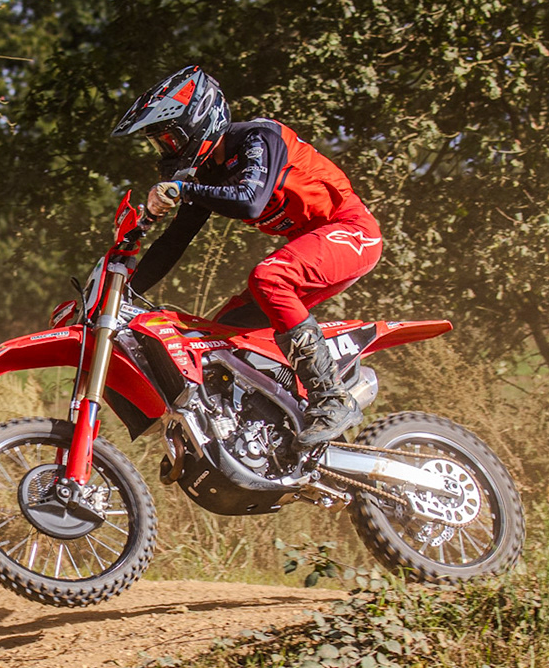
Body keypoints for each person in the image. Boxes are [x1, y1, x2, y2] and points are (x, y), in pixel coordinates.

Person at [111, 65, 383, 446]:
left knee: (268, 277)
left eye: (170, 139)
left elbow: (250, 201)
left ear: (198, 122)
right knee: (220, 338)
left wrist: (182, 190)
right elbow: (175, 240)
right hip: (314, 244)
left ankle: (331, 397)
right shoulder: (207, 173)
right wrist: (122, 292)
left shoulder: (259, 137)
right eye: (161, 144)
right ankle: (269, 432)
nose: (167, 150)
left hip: (352, 232)